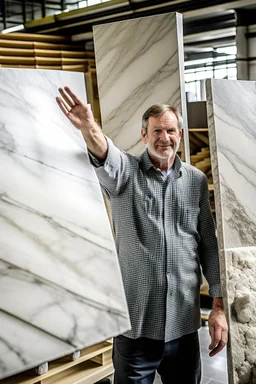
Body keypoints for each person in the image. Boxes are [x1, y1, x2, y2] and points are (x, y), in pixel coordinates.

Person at [56, 86, 228, 384]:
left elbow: (209, 246)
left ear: (180, 135)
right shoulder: (125, 173)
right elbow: (104, 152)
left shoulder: (196, 181)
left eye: (171, 130)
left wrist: (219, 305)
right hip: (136, 329)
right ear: (144, 135)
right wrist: (88, 126)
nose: (165, 137)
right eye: (157, 131)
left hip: (184, 326)